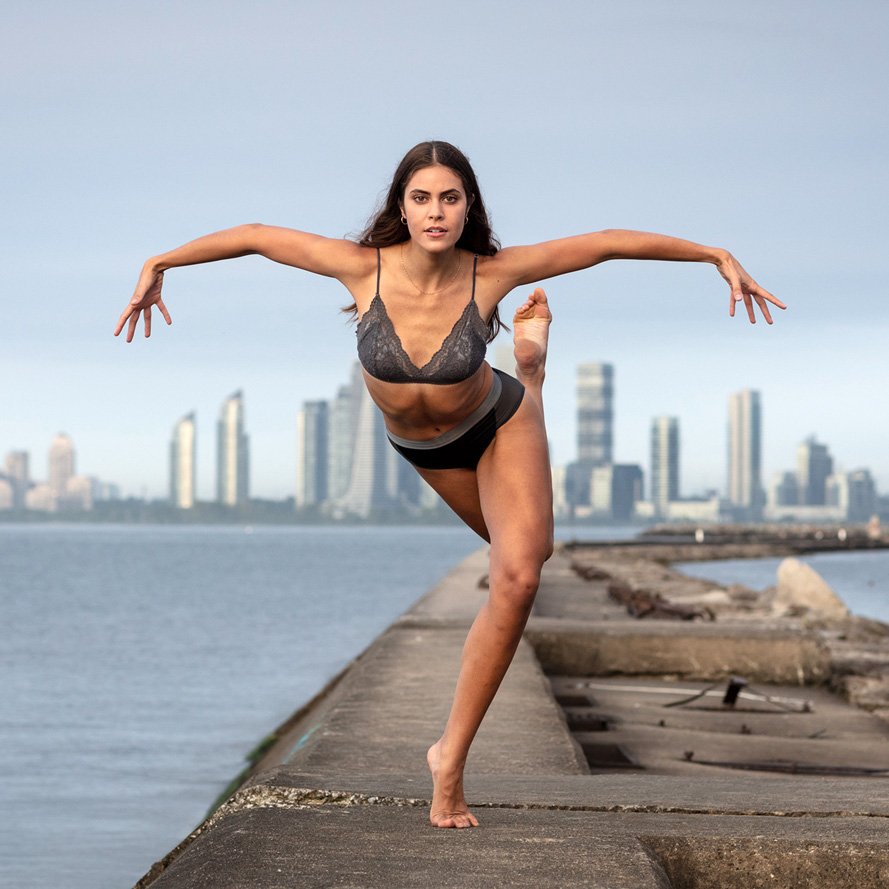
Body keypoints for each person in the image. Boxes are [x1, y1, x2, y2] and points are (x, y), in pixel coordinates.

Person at [115, 140, 784, 828]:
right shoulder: (359, 269)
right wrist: (159, 261)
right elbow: (255, 236)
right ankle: (533, 364)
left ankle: (449, 760)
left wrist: (714, 255)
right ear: (400, 207)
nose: (435, 212)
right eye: (421, 197)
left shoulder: (490, 274)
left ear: (469, 207)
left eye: (450, 197)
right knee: (511, 556)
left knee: (520, 573)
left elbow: (607, 243)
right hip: (424, 448)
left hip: (498, 422)